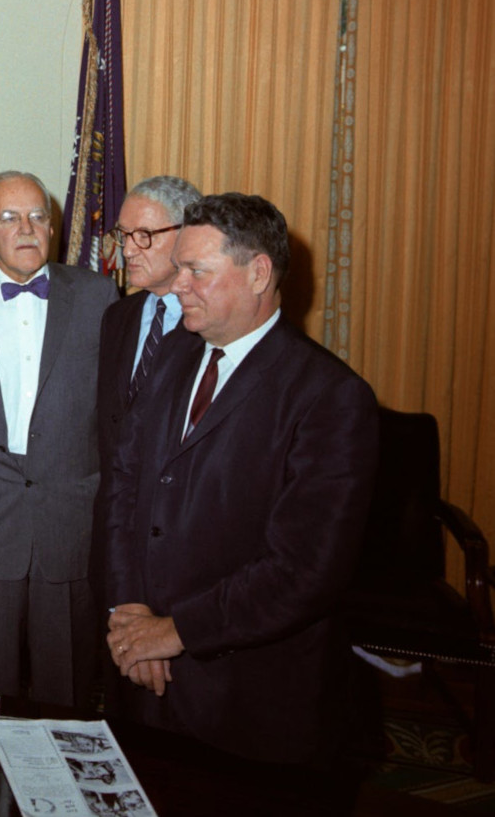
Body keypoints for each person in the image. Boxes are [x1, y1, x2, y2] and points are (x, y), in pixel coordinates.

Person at [103, 193, 378, 763]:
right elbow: (125, 484)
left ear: (258, 273)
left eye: (196, 271)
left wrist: (173, 632)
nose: (177, 286)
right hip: (142, 674)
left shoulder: (329, 397)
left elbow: (303, 571)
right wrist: (130, 610)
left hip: (246, 699)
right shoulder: (174, 355)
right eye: (178, 267)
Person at [0, 171, 117, 706]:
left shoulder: (99, 296)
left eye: (37, 216)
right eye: (9, 217)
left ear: (52, 226)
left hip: (71, 524)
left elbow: (119, 418)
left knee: (69, 694)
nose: (27, 228)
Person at [96, 176, 202, 456]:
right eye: (124, 235)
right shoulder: (117, 317)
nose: (128, 251)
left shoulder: (212, 326)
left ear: (187, 234)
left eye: (144, 236)